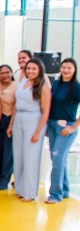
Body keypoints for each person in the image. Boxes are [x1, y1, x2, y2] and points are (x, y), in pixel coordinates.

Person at [11, 59, 51, 202]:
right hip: (19, 118)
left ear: (40, 70)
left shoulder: (43, 87)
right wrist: (11, 124)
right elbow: (16, 104)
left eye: (34, 69)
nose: (31, 71)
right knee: (19, 156)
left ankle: (30, 192)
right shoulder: (22, 82)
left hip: (33, 119)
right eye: (29, 68)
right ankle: (20, 188)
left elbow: (45, 112)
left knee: (31, 158)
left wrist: (38, 132)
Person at [46, 59, 80, 204]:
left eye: (69, 68)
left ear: (74, 70)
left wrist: (73, 127)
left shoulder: (76, 87)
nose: (66, 70)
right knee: (57, 159)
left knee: (58, 159)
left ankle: (55, 194)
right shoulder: (56, 84)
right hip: (52, 125)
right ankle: (64, 190)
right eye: (64, 67)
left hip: (66, 128)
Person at [0, 65, 16, 190]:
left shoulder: (16, 86)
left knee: (7, 153)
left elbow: (16, 106)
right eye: (2, 73)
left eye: (8, 72)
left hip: (10, 120)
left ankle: (4, 180)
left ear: (11, 73)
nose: (5, 75)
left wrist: (11, 124)